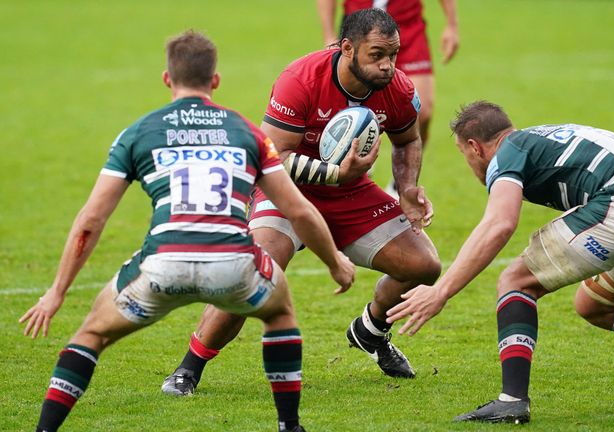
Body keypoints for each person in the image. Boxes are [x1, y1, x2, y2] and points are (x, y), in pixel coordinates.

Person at [19, 31, 355, 432]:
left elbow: (91, 221)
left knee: (91, 334)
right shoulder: (248, 133)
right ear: (215, 81)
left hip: (163, 267)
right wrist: (335, 262)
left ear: (166, 79)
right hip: (233, 267)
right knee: (280, 312)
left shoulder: (139, 132)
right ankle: (289, 425)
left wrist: (57, 292)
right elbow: (297, 210)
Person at [386, 101, 614, 424]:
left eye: (465, 156)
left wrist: (442, 291)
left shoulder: (507, 152)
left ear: (474, 147)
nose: (470, 165)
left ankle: (512, 401)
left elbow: (499, 223)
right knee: (596, 305)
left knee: (515, 281)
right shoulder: (554, 135)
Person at [160, 8, 441, 396]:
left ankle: (371, 332)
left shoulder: (398, 89)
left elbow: (407, 139)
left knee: (424, 264)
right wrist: (333, 173)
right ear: (347, 48)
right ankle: (188, 369)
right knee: (253, 275)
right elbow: (271, 156)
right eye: (377, 55)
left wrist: (408, 187)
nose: (388, 66)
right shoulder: (301, 79)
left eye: (393, 54)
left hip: (350, 193)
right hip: (286, 192)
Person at [317, 0, 459, 195]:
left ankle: (397, 186)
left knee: (422, 111)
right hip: (360, 30)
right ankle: (359, 155)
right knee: (351, 101)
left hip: (407, 28)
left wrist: (451, 24)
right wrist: (329, 34)